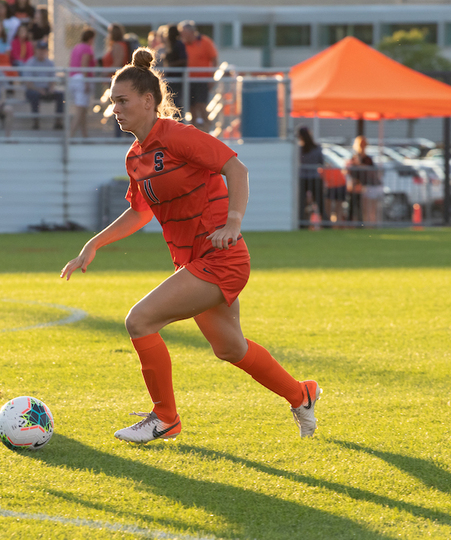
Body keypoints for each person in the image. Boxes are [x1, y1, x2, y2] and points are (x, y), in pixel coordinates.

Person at [61, 48, 322, 444]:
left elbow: (237, 168)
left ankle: (165, 417)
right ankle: (300, 394)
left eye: (122, 100)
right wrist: (93, 245)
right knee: (230, 349)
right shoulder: (136, 156)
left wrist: (234, 222)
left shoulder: (177, 136)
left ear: (148, 102)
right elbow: (139, 212)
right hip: (194, 262)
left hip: (221, 258)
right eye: (112, 101)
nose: (115, 108)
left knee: (139, 320)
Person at [178, 20, 217, 130]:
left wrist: (212, 77)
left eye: (184, 33)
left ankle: (208, 129)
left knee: (201, 105)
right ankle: (195, 131)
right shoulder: (181, 44)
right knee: (191, 107)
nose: (182, 36)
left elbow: (214, 59)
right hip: (188, 81)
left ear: (191, 32)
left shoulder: (205, 42)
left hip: (202, 80)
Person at [23, 39, 63, 130]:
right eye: (40, 49)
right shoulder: (30, 63)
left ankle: (58, 121)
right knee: (34, 95)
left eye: (43, 50)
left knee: (61, 95)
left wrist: (51, 88)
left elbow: (52, 80)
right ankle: (36, 121)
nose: (41, 52)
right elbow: (28, 84)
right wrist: (39, 90)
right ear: (36, 50)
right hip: (33, 90)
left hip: (46, 89)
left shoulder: (50, 63)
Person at [345, 135, 381, 224]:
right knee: (358, 208)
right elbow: (348, 171)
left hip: (368, 186)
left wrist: (361, 166)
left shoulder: (368, 159)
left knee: (370, 209)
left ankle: (371, 226)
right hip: (355, 188)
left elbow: (372, 172)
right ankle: (360, 225)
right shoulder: (353, 158)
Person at [68, 27, 95, 138]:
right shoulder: (87, 48)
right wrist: (86, 82)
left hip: (73, 78)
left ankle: (85, 136)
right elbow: (84, 64)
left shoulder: (76, 47)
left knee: (83, 110)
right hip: (81, 79)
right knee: (79, 111)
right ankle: (69, 136)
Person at [297, 126, 324, 224]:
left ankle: (301, 223)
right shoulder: (317, 148)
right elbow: (321, 162)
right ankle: (325, 222)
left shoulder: (299, 149)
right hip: (314, 177)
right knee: (320, 201)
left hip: (303, 177)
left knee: (301, 202)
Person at [161, 24, 186, 116]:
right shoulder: (169, 45)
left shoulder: (178, 44)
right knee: (168, 101)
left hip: (176, 78)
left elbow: (184, 60)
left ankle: (177, 121)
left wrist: (170, 66)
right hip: (169, 78)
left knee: (175, 102)